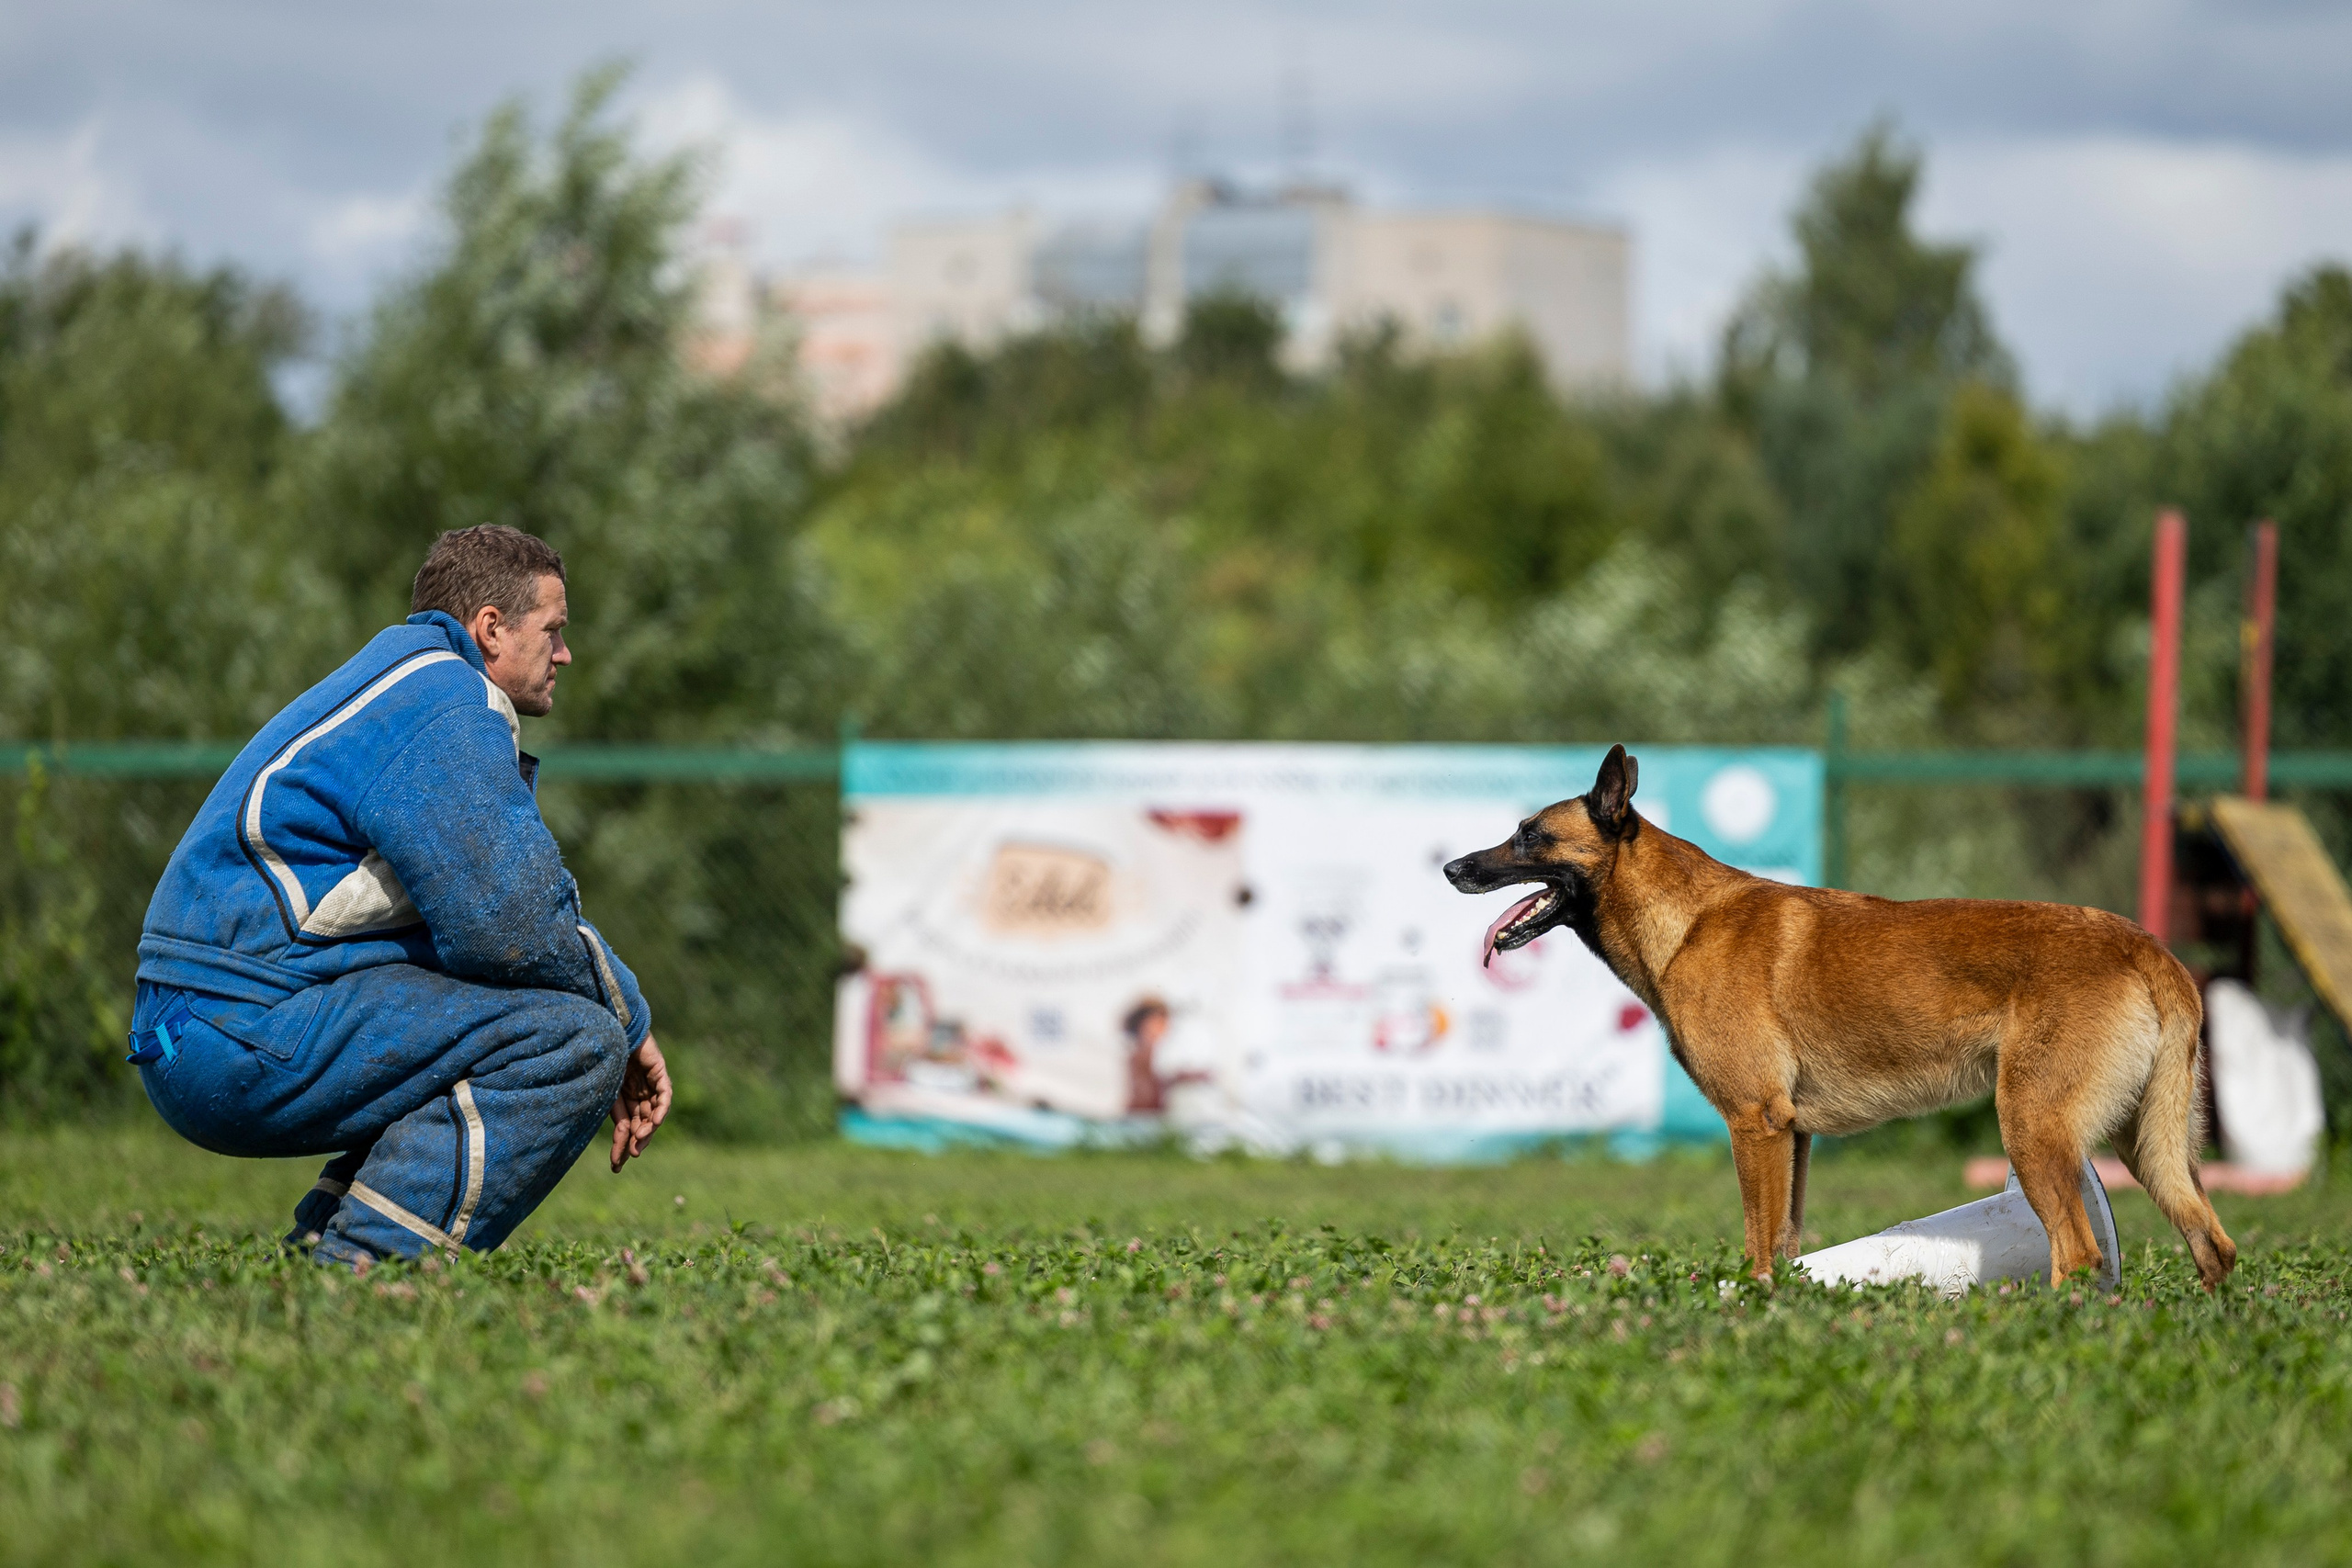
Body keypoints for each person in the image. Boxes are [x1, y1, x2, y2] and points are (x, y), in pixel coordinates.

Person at [130, 525, 671, 1268]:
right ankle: (368, 1266)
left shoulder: (401, 681)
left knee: (508, 1012)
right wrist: (627, 1016)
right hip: (234, 1027)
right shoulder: (444, 700)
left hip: (200, 1017)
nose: (566, 654)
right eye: (554, 629)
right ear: (489, 628)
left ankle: (326, 1239)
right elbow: (509, 925)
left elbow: (482, 929)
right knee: (574, 1040)